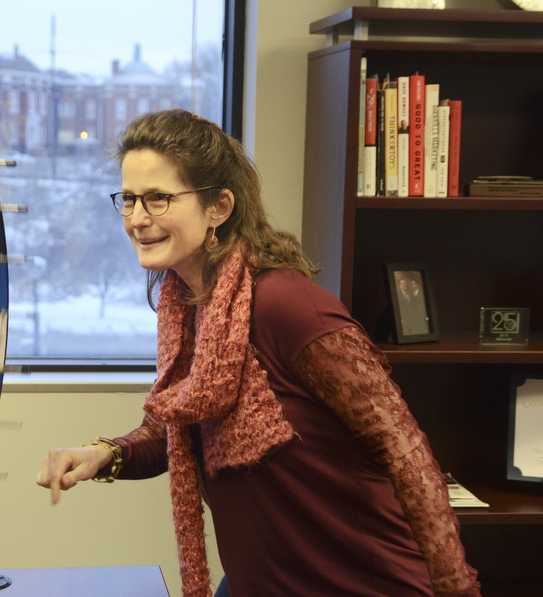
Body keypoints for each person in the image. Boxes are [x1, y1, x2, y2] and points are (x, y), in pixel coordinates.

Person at [36, 109, 481, 597]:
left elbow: (407, 456)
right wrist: (104, 454)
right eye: (129, 199)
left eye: (159, 198)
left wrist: (456, 590)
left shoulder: (290, 307)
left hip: (360, 583)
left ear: (219, 207)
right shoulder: (184, 306)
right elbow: (176, 428)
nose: (137, 219)